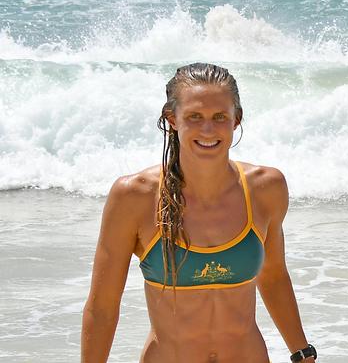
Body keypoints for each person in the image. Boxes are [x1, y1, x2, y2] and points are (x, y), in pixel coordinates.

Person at [81, 63, 316, 363]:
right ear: (172, 119)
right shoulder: (134, 196)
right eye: (194, 116)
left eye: (220, 117)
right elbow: (102, 306)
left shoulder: (265, 188)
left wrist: (302, 353)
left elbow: (273, 277)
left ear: (236, 120)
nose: (208, 130)